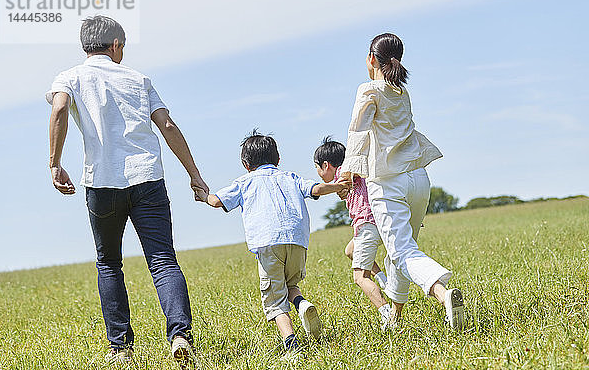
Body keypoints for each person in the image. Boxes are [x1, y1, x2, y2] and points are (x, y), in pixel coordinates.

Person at [46, 15, 209, 367]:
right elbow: (166, 124)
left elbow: (59, 108)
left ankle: (120, 347)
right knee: (163, 261)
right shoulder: (138, 79)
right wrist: (194, 175)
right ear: (116, 45)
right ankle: (180, 335)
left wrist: (55, 163)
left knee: (108, 263)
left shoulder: (69, 77)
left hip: (102, 182)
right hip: (147, 177)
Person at [340, 33, 465, 329]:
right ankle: (394, 318)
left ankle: (443, 294)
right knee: (401, 252)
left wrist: (347, 170)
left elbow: (357, 131)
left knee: (403, 251)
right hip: (419, 179)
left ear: (372, 58)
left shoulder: (368, 89)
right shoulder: (401, 92)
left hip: (388, 181)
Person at [195, 130, 351, 352]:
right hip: (298, 241)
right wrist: (337, 186)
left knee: (275, 299)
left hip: (268, 243)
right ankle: (302, 304)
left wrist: (203, 195)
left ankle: (291, 344)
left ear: (245, 164)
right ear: (278, 160)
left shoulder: (243, 182)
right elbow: (316, 189)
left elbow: (216, 201)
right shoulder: (290, 177)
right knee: (291, 285)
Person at [314, 137, 396, 329]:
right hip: (377, 221)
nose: (317, 172)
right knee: (350, 250)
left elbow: (352, 174)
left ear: (326, 165)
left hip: (367, 222)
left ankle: (387, 314)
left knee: (360, 277)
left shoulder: (345, 171)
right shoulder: (344, 176)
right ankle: (384, 280)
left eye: (317, 167)